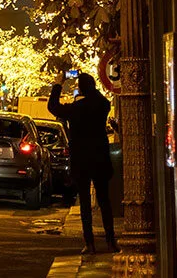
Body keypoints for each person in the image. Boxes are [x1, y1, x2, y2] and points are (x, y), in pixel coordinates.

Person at [48, 73, 117, 255]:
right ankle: (111, 241)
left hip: (81, 160)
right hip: (100, 158)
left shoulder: (76, 108)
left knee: (85, 203)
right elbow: (103, 100)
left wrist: (58, 85)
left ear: (82, 88)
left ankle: (90, 244)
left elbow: (53, 107)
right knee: (104, 201)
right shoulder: (103, 105)